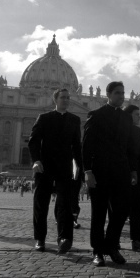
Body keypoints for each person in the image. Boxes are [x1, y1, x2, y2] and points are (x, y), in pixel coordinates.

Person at [82, 81, 138, 266]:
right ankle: (98, 251)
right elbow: (87, 145)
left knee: (121, 211)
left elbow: (130, 146)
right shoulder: (96, 115)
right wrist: (88, 171)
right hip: (100, 170)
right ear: (108, 94)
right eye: (117, 93)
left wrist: (133, 170)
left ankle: (111, 246)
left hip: (121, 171)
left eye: (123, 93)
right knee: (99, 213)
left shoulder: (126, 118)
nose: (121, 96)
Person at [28, 88, 83, 254]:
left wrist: (80, 167)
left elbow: (76, 146)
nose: (66, 100)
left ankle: (64, 238)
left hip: (65, 166)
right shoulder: (44, 118)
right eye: (63, 97)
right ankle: (40, 238)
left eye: (68, 97)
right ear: (55, 99)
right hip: (45, 165)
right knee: (41, 203)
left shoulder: (75, 119)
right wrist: (36, 160)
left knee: (65, 203)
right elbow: (34, 141)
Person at [125, 105, 140, 251]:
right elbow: (139, 154)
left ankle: (136, 239)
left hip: (133, 173)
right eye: (136, 114)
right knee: (133, 209)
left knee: (134, 209)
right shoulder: (134, 131)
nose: (139, 117)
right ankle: (136, 240)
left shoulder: (138, 131)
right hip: (129, 173)